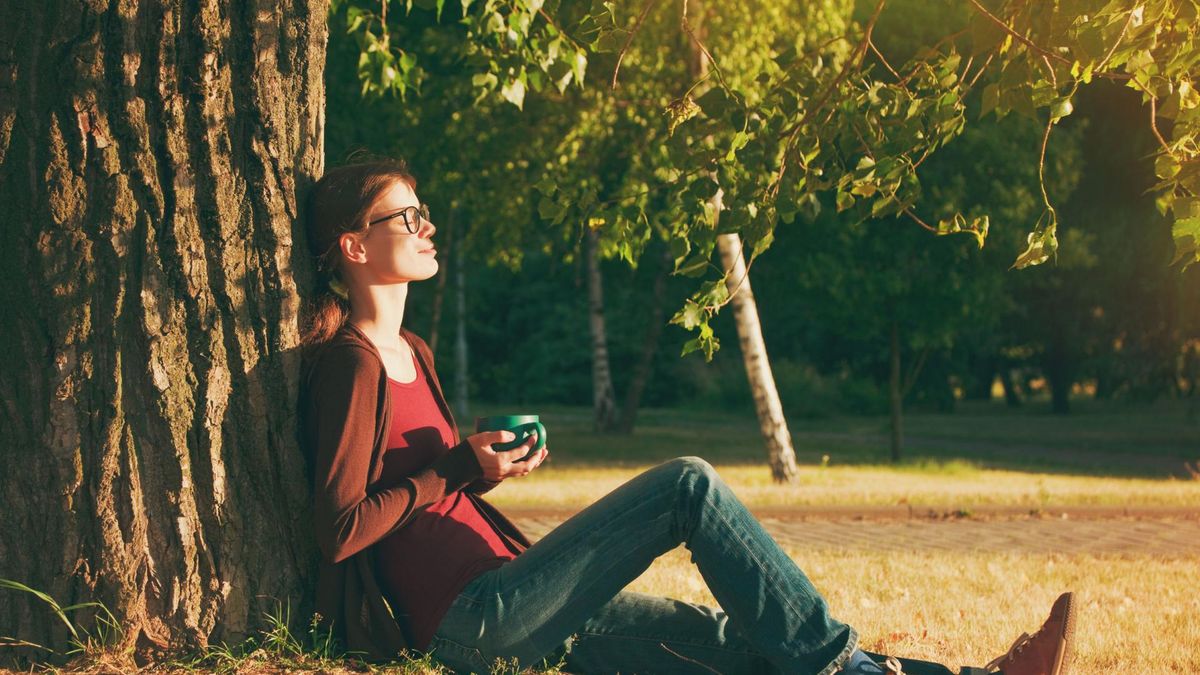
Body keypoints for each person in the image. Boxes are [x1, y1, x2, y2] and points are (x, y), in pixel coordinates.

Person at [297, 158, 1077, 675]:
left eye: (423, 211)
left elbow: (430, 495)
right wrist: (460, 465)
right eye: (406, 217)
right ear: (353, 247)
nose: (426, 226)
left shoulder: (415, 350)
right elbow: (342, 528)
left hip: (516, 591)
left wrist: (485, 471)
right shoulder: (353, 363)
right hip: (473, 620)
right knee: (688, 487)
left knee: (737, 639)